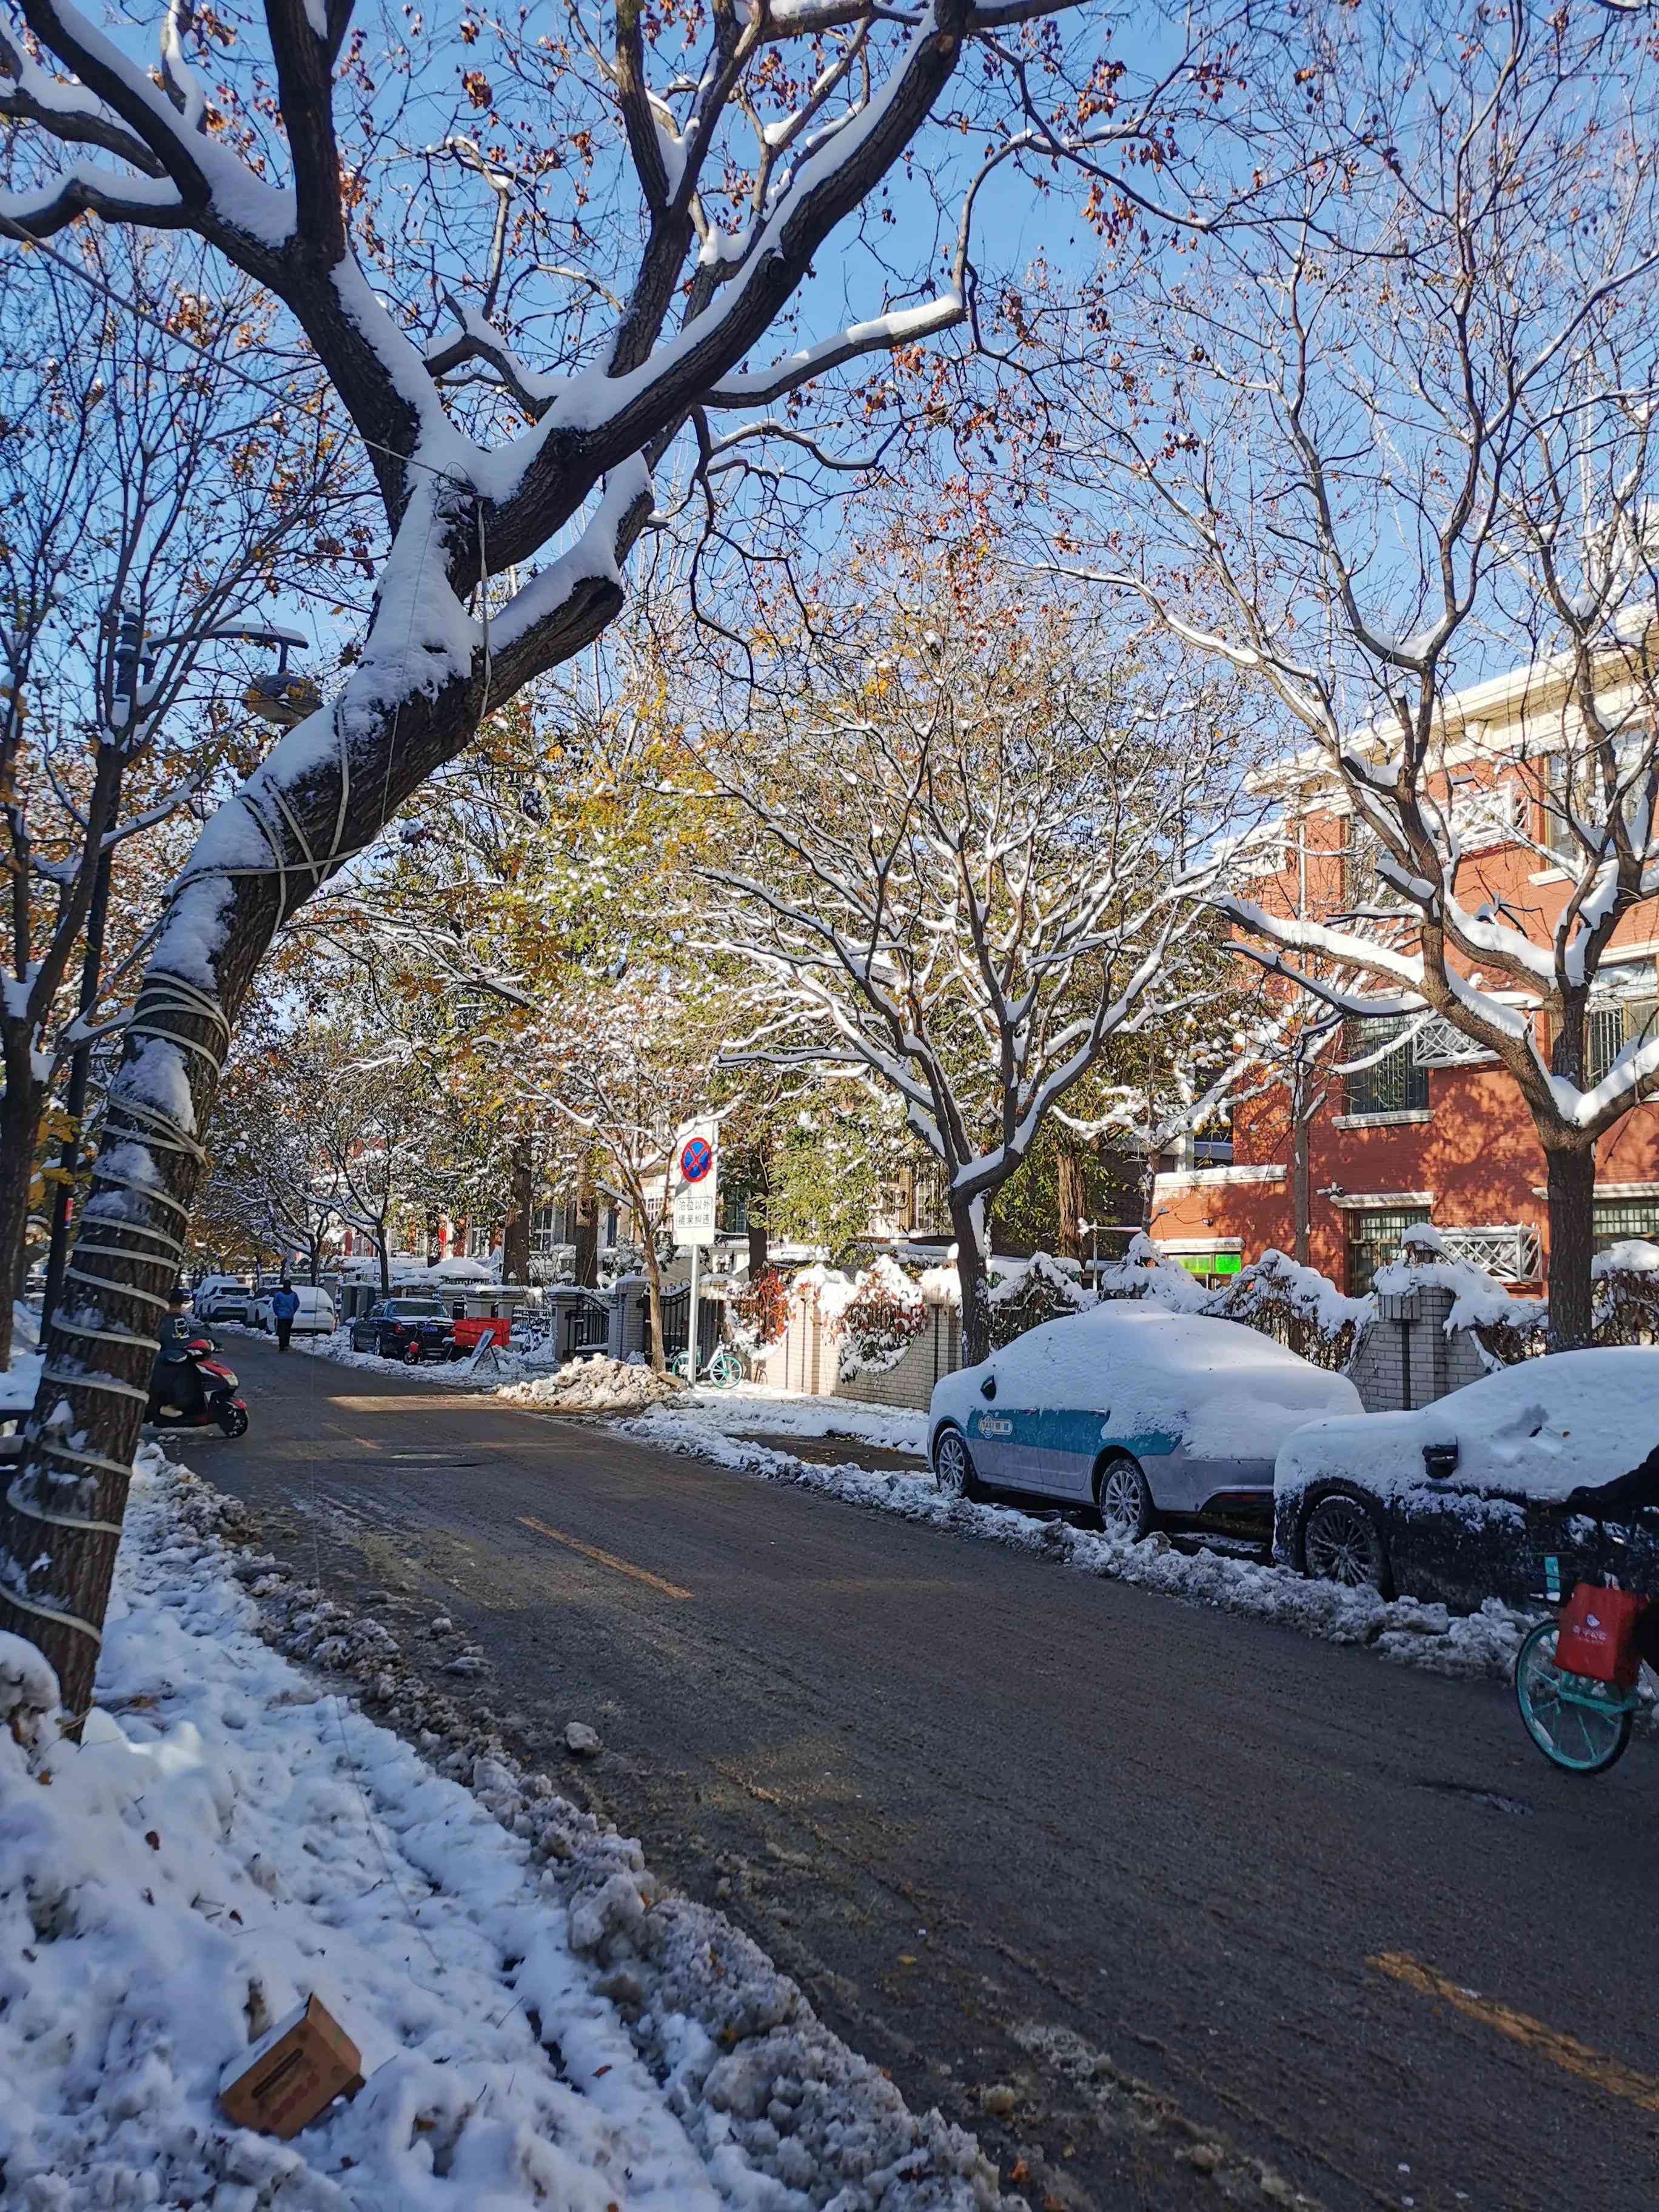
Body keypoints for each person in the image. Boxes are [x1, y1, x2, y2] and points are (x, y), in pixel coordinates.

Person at [148, 1284, 206, 1419]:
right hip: (166, 1359)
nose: (176, 1308)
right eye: (173, 1305)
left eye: (177, 1305)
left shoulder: (178, 1319)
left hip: (178, 1355)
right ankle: (163, 1408)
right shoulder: (165, 1321)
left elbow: (189, 1333)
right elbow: (172, 1339)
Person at [270, 1278, 300, 1352]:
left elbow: (275, 1304)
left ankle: (281, 1347)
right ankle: (286, 1345)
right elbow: (297, 1304)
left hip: (281, 1316)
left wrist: (277, 1312)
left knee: (281, 1332)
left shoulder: (279, 1295)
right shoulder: (293, 1295)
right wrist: (293, 1312)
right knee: (287, 1331)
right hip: (290, 1316)